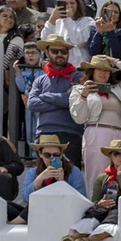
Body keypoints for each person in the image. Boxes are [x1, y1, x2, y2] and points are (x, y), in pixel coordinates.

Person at [54, 137, 121, 241]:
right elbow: (94, 201)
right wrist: (100, 203)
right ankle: (75, 237)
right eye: (117, 154)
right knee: (94, 212)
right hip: (105, 209)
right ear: (110, 156)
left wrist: (120, 174)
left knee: (114, 216)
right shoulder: (103, 177)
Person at [29, 35, 84, 166]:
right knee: (45, 177)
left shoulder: (79, 78)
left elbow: (74, 101)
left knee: (70, 176)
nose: (60, 54)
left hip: (70, 133)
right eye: (54, 51)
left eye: (63, 51)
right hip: (44, 132)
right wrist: (63, 99)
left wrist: (46, 96)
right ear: (47, 53)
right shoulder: (40, 80)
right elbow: (32, 104)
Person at [17, 134, 87, 217]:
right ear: (40, 154)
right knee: (9, 206)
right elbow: (26, 198)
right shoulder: (33, 172)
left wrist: (62, 183)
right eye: (47, 155)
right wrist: (39, 179)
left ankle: (19, 220)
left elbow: (81, 200)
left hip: (64, 212)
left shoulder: (73, 171)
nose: (52, 158)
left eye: (56, 155)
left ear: (61, 155)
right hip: (38, 211)